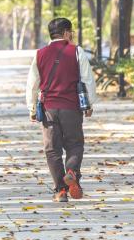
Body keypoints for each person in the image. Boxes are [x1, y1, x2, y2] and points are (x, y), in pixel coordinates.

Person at [26, 17, 97, 202]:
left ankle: (61, 190)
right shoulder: (76, 51)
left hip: (49, 108)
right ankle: (72, 171)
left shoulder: (40, 54)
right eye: (71, 32)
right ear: (66, 33)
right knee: (75, 144)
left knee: (52, 150)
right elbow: (88, 79)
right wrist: (89, 103)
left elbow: (33, 84)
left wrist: (32, 107)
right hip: (72, 107)